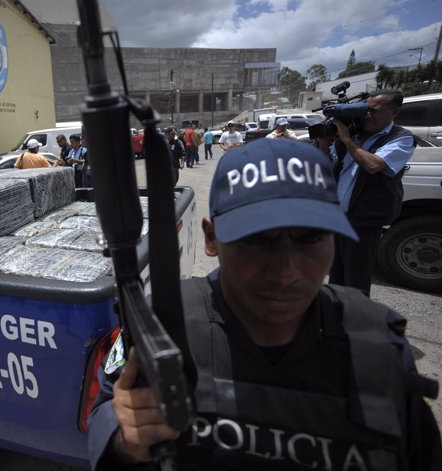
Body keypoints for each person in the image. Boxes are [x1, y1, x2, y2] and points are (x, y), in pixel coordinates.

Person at [88, 138, 440, 471]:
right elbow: (106, 415)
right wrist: (124, 442)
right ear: (212, 238)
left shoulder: (379, 341)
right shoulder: (159, 323)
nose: (286, 272)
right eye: (257, 241)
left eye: (310, 239)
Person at [327, 89, 416, 297]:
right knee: (336, 276)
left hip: (364, 221)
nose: (367, 115)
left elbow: (373, 165)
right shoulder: (354, 134)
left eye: (374, 110)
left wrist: (347, 140)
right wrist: (325, 144)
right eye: (365, 110)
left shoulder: (401, 138)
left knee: (356, 280)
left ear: (394, 111)